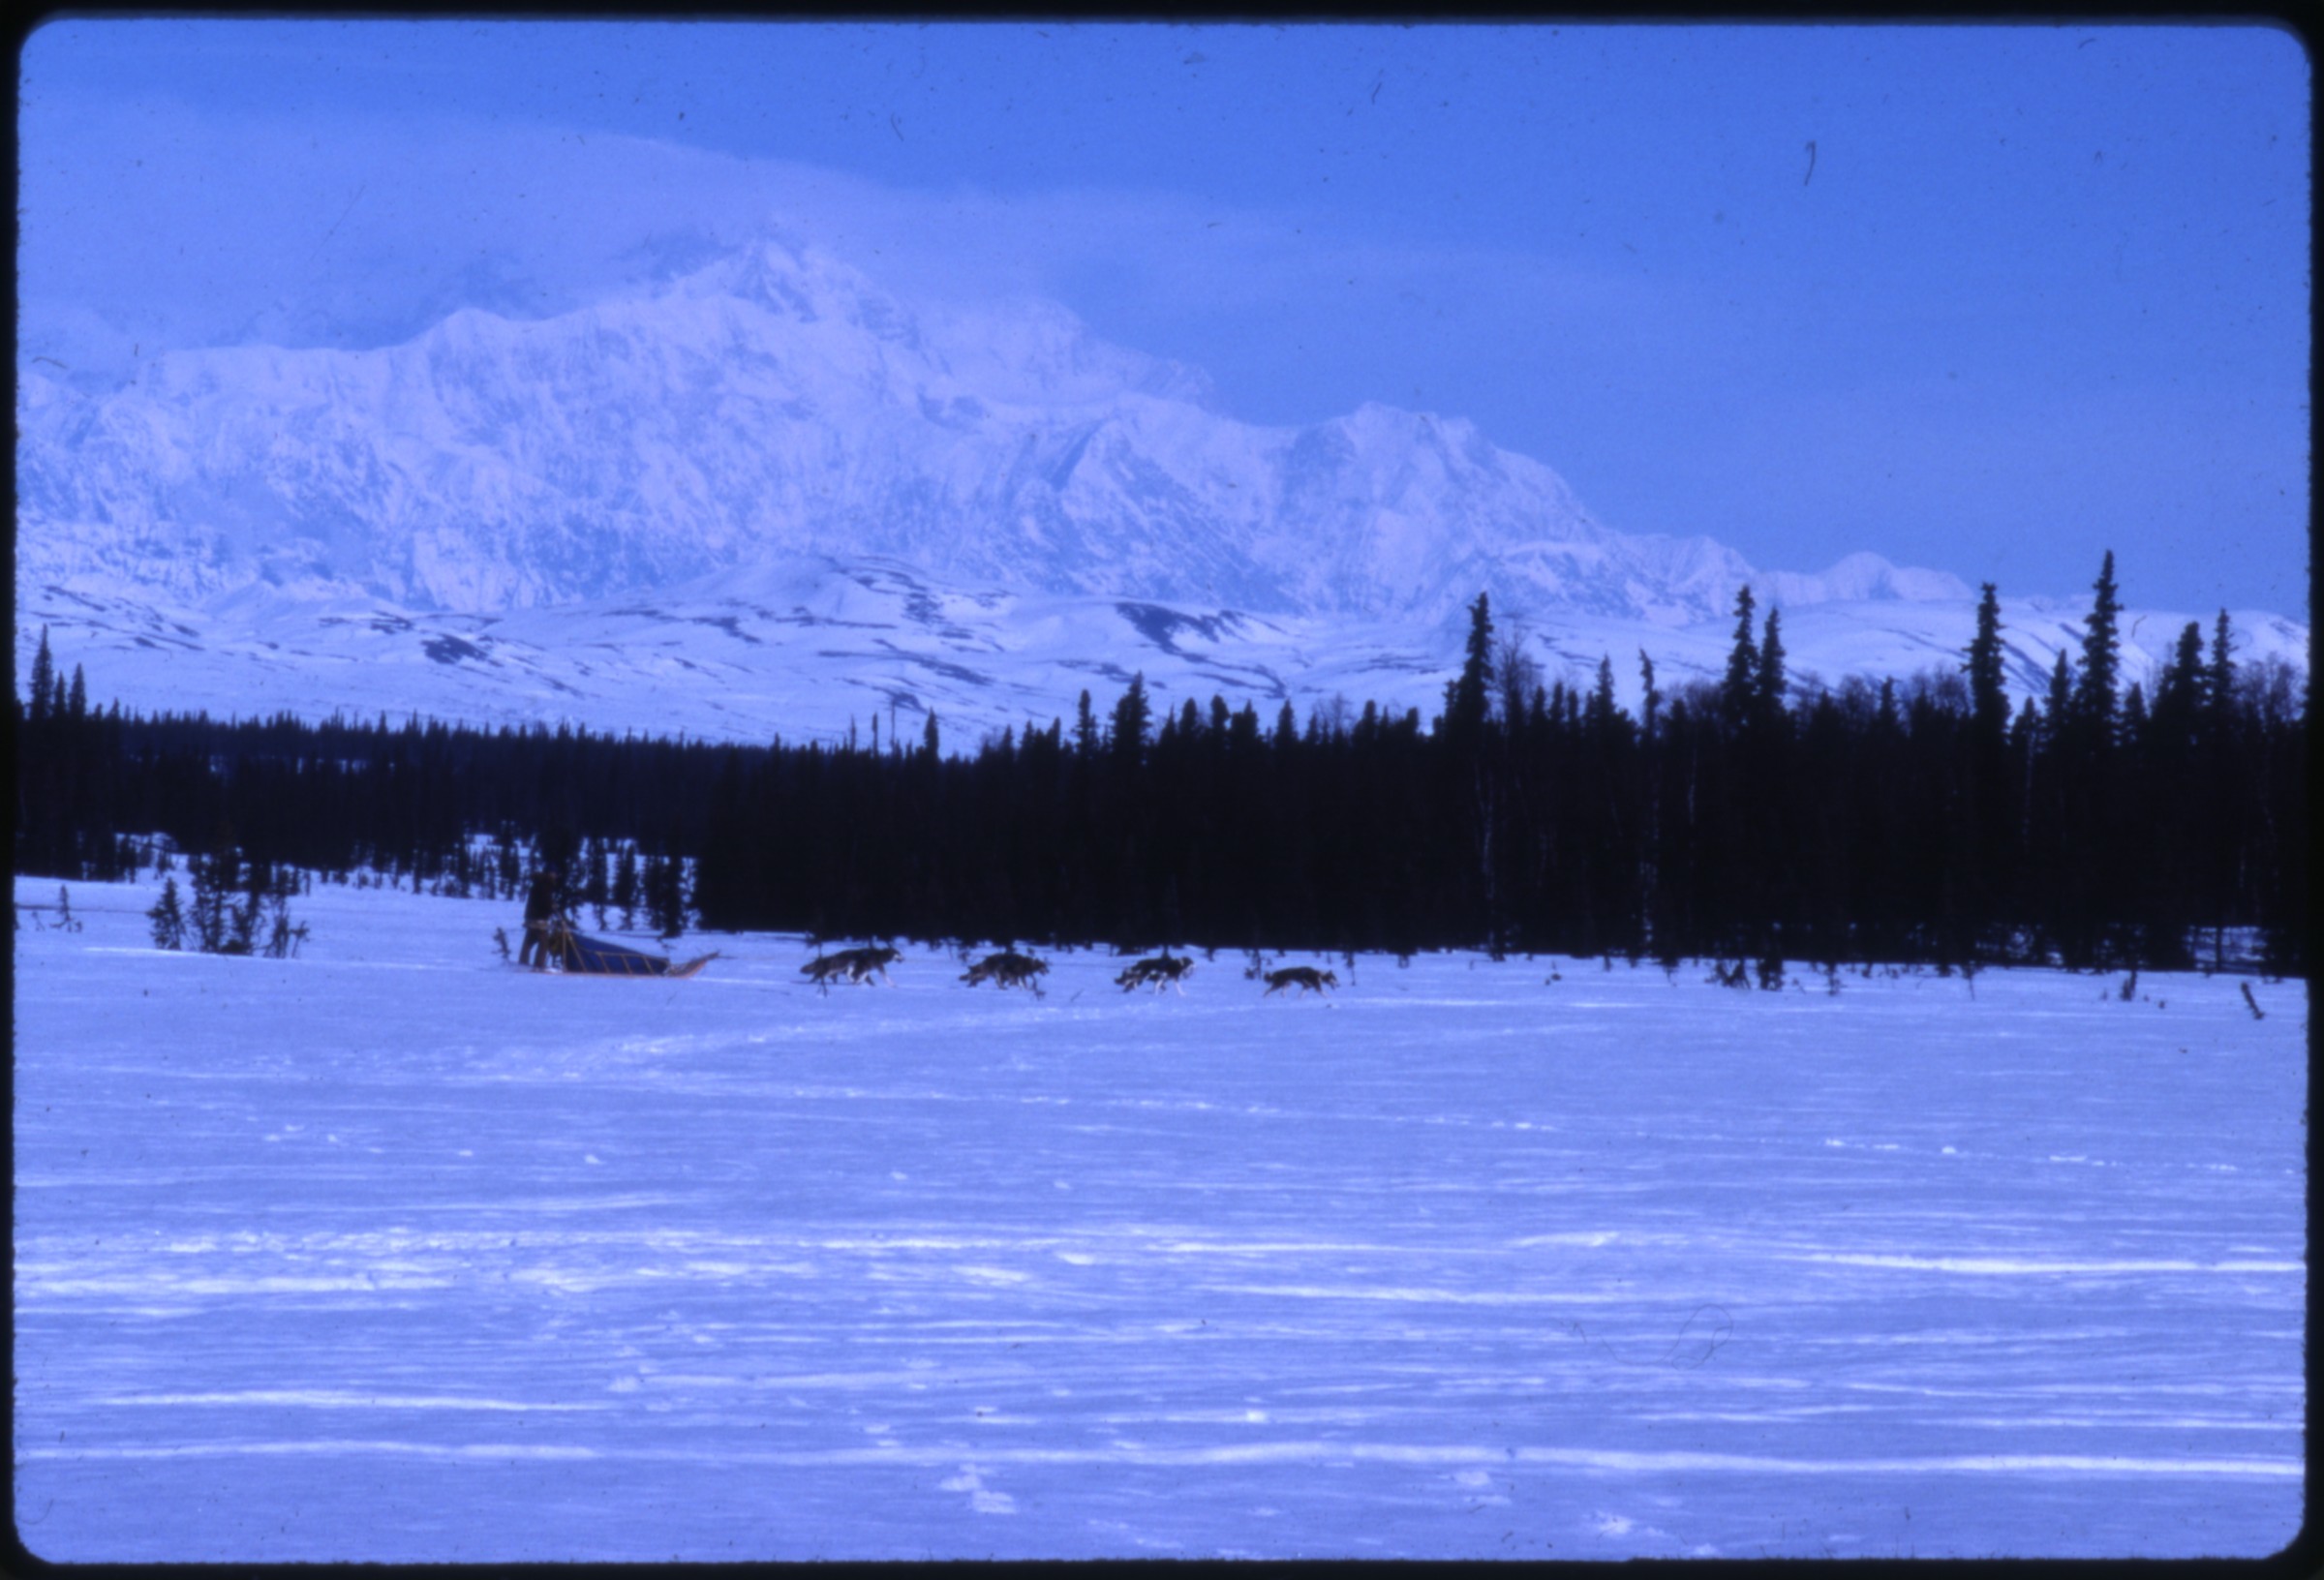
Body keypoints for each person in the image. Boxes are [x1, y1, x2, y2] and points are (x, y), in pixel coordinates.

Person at [519, 865, 562, 969]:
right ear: (549, 873)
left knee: (530, 940)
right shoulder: (545, 884)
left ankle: (522, 963)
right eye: (554, 874)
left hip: (531, 916)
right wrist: (551, 907)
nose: (555, 876)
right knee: (544, 942)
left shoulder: (538, 882)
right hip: (539, 918)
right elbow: (544, 901)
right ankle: (539, 965)